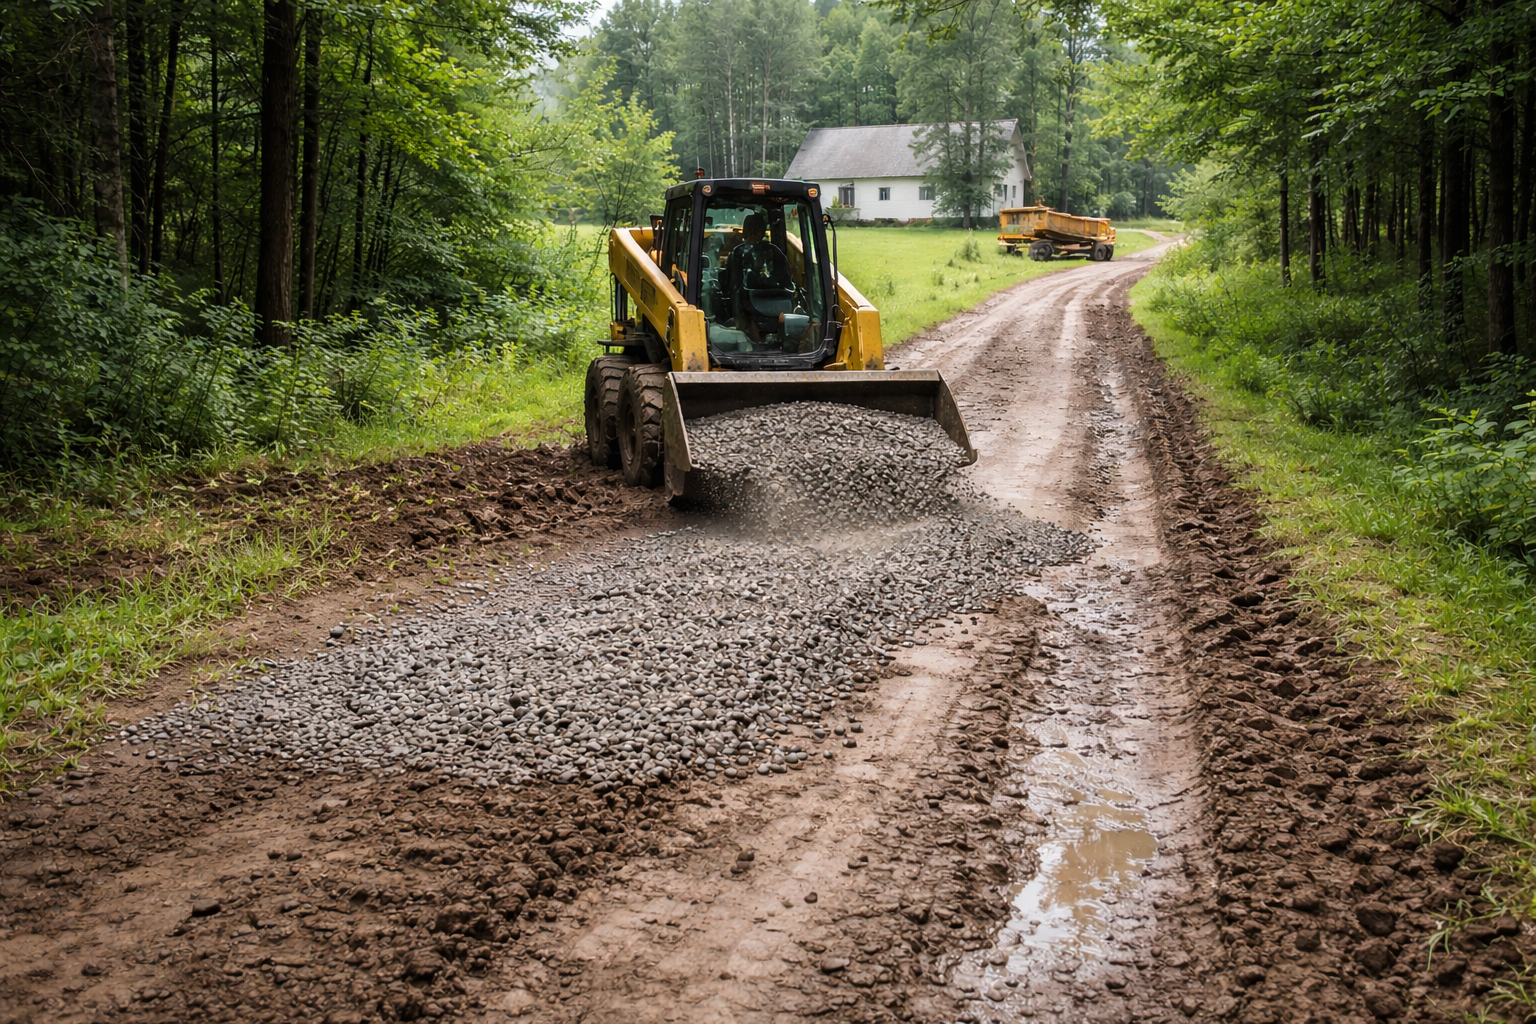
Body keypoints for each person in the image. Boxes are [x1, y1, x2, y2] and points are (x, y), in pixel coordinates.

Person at [726, 212, 793, 345]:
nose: (753, 234)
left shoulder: (737, 253)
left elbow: (731, 284)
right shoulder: (776, 252)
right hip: (779, 303)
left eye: (754, 230)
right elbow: (787, 282)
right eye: (753, 230)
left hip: (749, 304)